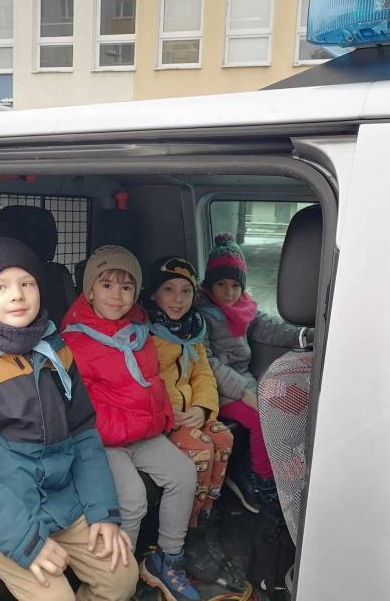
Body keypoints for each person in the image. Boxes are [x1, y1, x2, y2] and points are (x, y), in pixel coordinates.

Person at [0, 237, 137, 601]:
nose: (17, 296)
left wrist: (103, 512)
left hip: (61, 501)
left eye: (27, 283)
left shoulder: (55, 351)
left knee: (122, 578)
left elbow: (83, 434)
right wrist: (25, 540)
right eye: (0, 287)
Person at [61, 245, 201, 601]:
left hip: (141, 432)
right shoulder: (75, 341)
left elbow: (153, 382)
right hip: (102, 441)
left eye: (126, 287)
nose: (117, 295)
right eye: (106, 285)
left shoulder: (138, 330)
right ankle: (118, 582)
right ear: (89, 291)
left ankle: (166, 559)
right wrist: (138, 424)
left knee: (184, 474)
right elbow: (83, 409)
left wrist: (164, 415)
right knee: (132, 499)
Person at [195, 233, 307, 514]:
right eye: (221, 284)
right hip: (216, 390)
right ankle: (261, 481)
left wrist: (303, 335)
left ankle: (284, 468)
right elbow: (208, 364)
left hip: (245, 382)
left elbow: (268, 327)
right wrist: (244, 393)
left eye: (235, 285)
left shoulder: (243, 308)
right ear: (209, 284)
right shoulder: (202, 315)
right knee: (262, 417)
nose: (229, 292)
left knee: (287, 402)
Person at [142, 256, 236, 583]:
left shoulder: (193, 327)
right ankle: (182, 531)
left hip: (190, 412)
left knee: (223, 436)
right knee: (201, 448)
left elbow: (202, 373)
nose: (178, 299)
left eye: (185, 291)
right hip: (164, 419)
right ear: (153, 294)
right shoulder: (146, 332)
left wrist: (203, 408)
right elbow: (146, 380)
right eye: (168, 289)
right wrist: (171, 413)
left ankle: (202, 518)